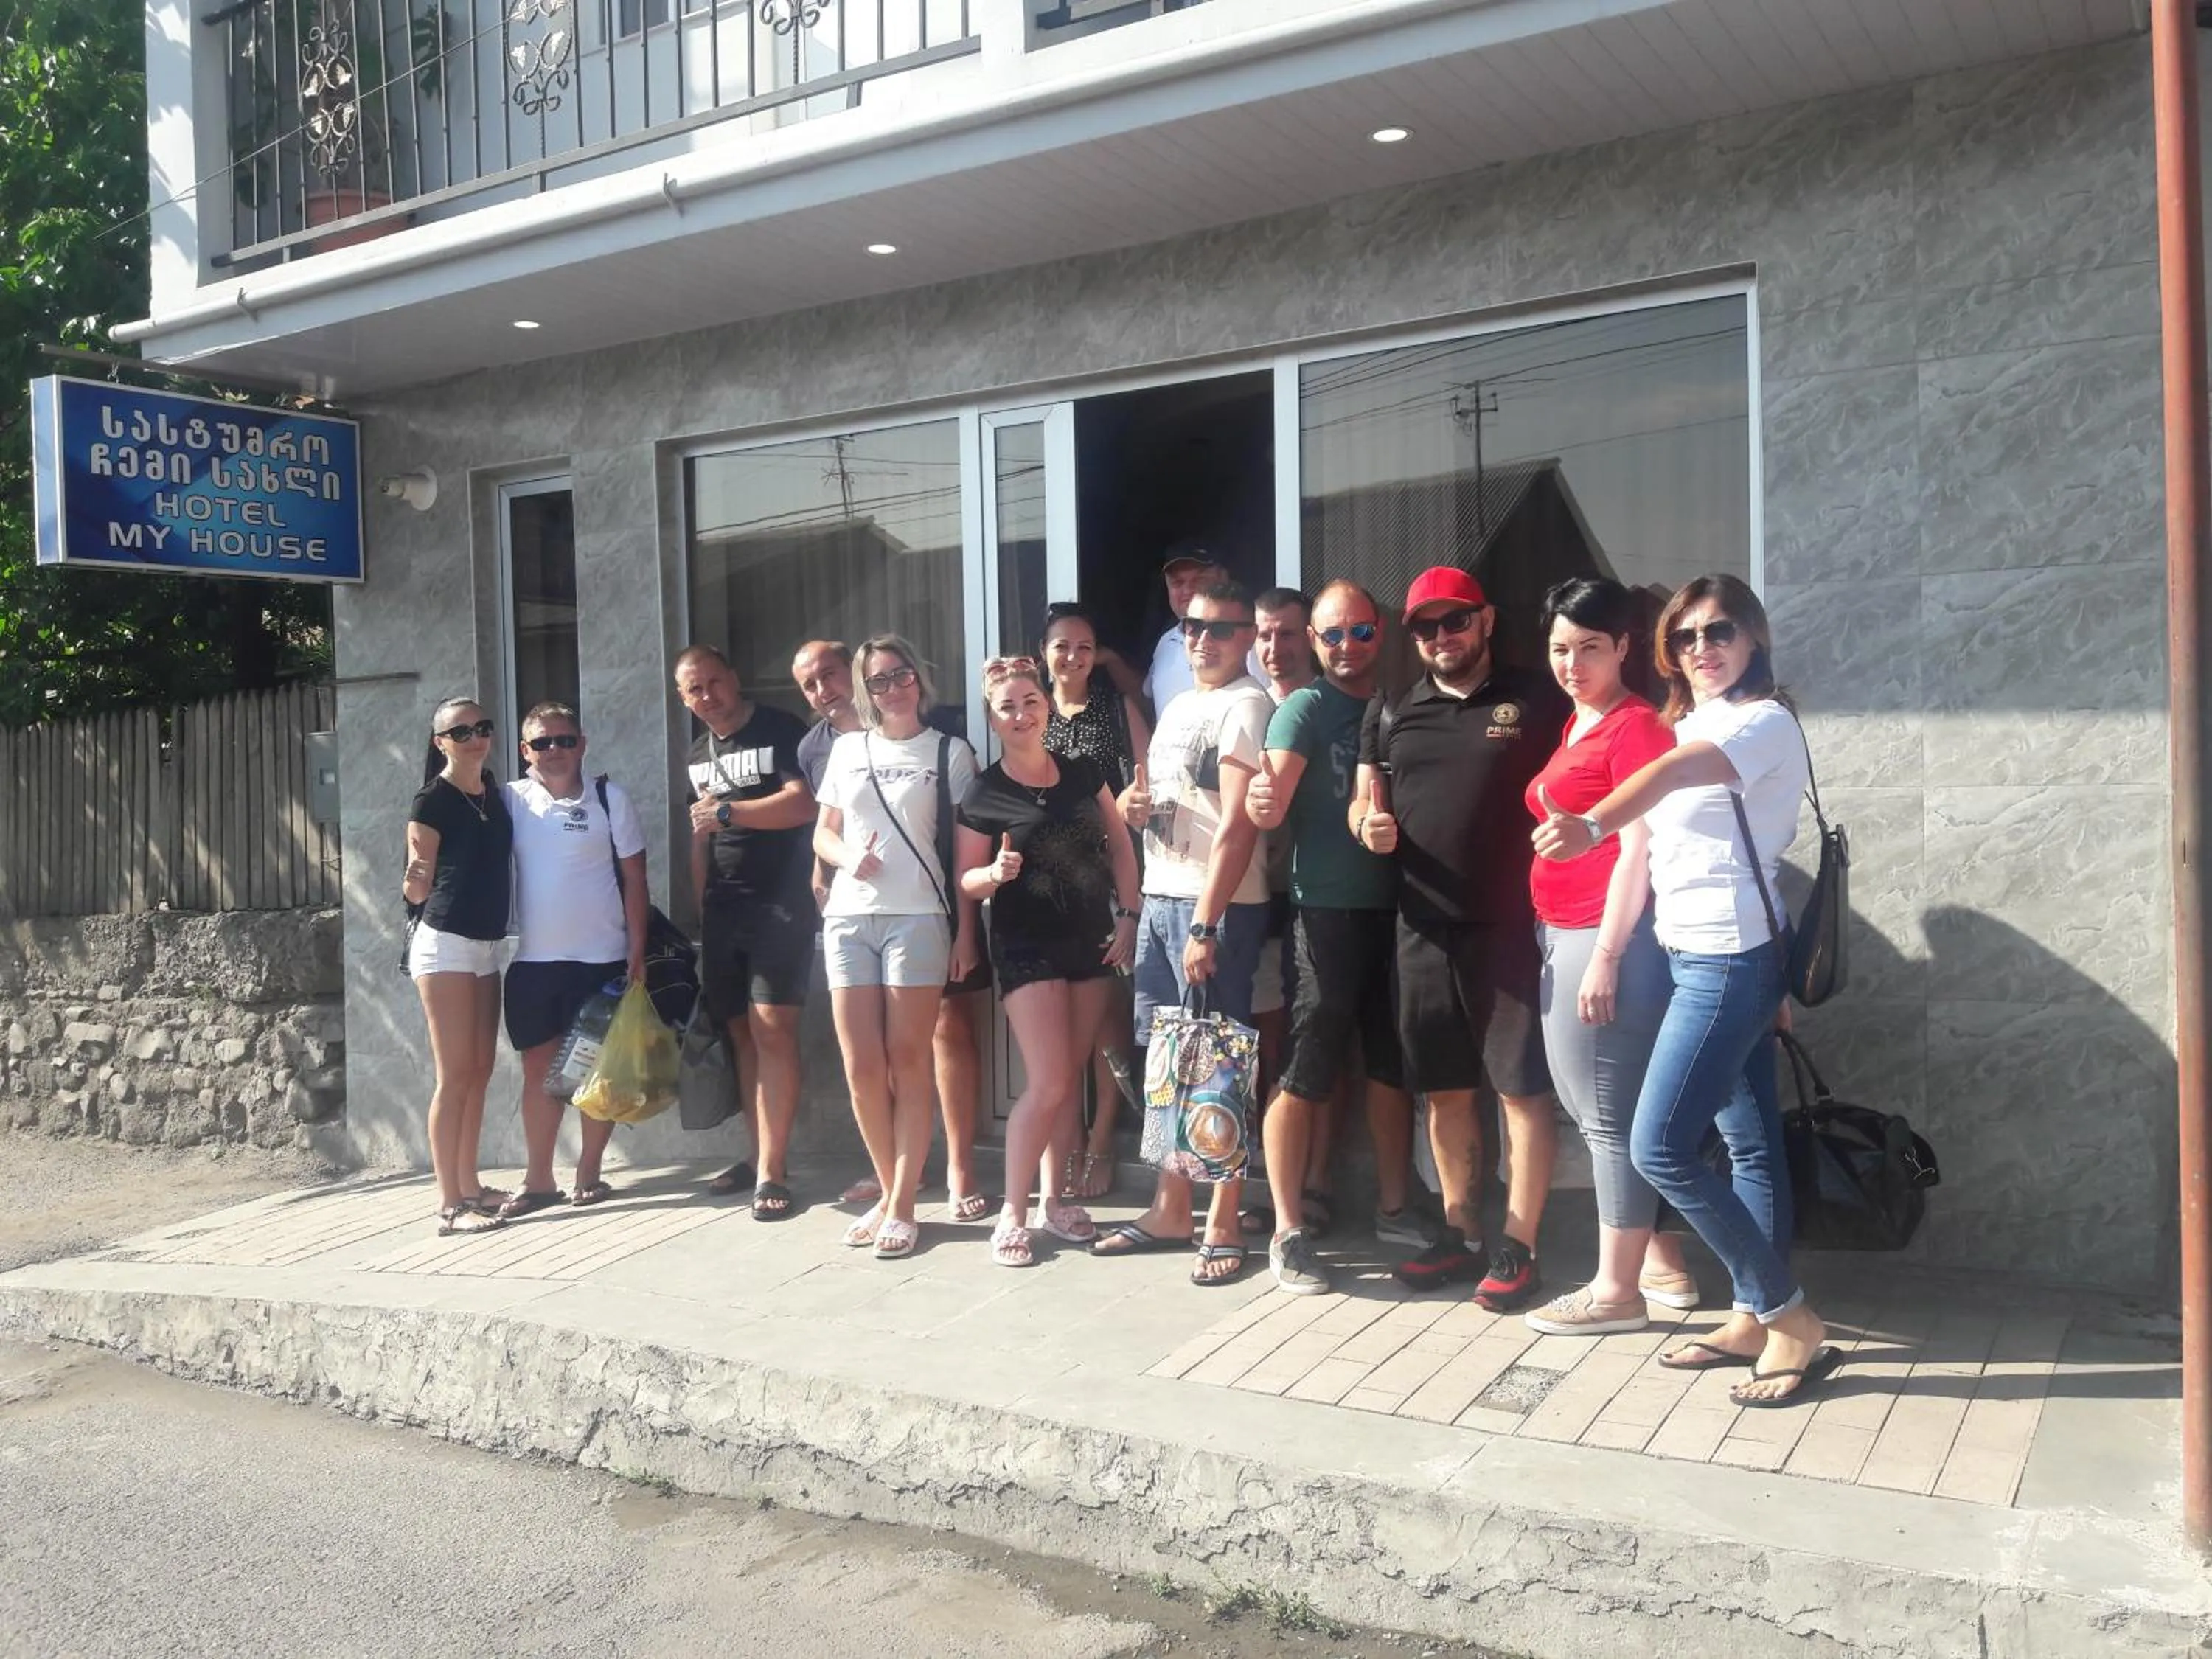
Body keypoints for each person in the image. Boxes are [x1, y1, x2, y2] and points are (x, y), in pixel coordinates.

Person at [1534, 574, 1836, 1408]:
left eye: (1720, 631)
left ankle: (1789, 1316)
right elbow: (1659, 846)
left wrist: (1590, 824)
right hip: (1695, 956)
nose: (1703, 648)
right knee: (1748, 1144)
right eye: (1687, 636)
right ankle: (1752, 1317)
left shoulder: (1763, 722)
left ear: (1754, 637)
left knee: (1659, 1146)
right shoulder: (1692, 719)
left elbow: (1678, 773)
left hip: (1730, 961)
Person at [1354, 568, 1565, 1312]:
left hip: (1510, 928)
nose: (1441, 637)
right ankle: (1460, 1234)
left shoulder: (1537, 699)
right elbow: (1363, 802)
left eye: (1455, 621)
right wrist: (1368, 827)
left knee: (1519, 1089)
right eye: (1426, 627)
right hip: (1422, 927)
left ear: (1486, 621)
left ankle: (1518, 1246)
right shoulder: (1392, 708)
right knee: (1443, 1090)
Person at [1514, 581, 1699, 1332]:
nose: (1573, 664)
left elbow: (1639, 847)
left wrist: (1608, 955)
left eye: (1590, 647)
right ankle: (1659, 1264)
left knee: (1606, 1119)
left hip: (1603, 935)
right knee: (1605, 1111)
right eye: (1560, 648)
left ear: (1625, 647)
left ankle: (1615, 1293)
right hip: (1567, 929)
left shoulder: (1635, 727)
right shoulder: (1582, 721)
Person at [1093, 582, 1272, 1286]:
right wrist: (1135, 808)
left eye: (1221, 629)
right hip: (1164, 894)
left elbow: (1238, 826)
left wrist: (1206, 922)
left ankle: (1222, 1221)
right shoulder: (1177, 706)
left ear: (1247, 636)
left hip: (1212, 906)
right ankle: (1171, 1210)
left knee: (1218, 1063)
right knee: (1171, 1060)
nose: (1204, 641)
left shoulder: (1246, 704)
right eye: (1194, 628)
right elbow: (1174, 806)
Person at [1245, 581, 1416, 1295]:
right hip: (1326, 912)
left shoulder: (1403, 702)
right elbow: (1270, 799)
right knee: (1307, 1068)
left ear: (1381, 632)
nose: (1347, 646)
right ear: (1314, 642)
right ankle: (1287, 1231)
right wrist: (1262, 801)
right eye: (1333, 635)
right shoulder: (1306, 708)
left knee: (1390, 1066)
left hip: (1400, 912)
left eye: (1360, 632)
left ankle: (1396, 1209)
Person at [794, 638, 990, 1221]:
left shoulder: (950, 751)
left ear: (918, 677)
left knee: (909, 1060)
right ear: (866, 691)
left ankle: (903, 1204)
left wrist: (966, 933)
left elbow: (964, 854)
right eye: (878, 681)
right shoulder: (847, 750)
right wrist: (848, 857)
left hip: (919, 917)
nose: (893, 689)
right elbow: (823, 834)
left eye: (900, 675)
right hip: (848, 919)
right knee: (861, 1066)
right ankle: (889, 1191)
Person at [954, 657, 1141, 1267]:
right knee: (1050, 1080)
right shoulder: (984, 792)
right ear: (992, 719)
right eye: (1007, 707)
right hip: (1025, 946)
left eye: (1030, 702)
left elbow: (1120, 845)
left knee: (1069, 1079)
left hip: (1089, 939)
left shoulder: (1082, 770)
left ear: (1046, 707)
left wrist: (1129, 915)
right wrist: (993, 873)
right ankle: (1013, 1212)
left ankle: (1053, 1202)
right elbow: (967, 880)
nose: (1021, 715)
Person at [495, 702, 649, 1219]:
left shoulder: (610, 798)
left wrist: (637, 950)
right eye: (542, 743)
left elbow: (635, 879)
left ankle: (590, 1170)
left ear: (582, 744)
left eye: (564, 740)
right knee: (541, 1075)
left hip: (602, 961)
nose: (554, 750)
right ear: (525, 751)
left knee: (595, 1073)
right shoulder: (509, 800)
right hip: (535, 964)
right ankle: (539, 1180)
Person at [678, 645, 814, 1217]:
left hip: (780, 906)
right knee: (741, 1037)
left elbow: (804, 805)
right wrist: (704, 911)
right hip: (724, 913)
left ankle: (774, 1172)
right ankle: (759, 1159)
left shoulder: (780, 729)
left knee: (773, 1031)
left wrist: (731, 812)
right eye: (694, 689)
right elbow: (700, 836)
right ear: (684, 699)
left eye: (714, 682)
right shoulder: (696, 753)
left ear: (734, 678)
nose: (708, 695)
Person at [1038, 602, 1150, 1200]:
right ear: (1044, 653)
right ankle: (1070, 1142)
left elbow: (1148, 779)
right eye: (1062, 646)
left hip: (1110, 880)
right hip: (1049, 886)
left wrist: (1134, 802)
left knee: (1105, 1020)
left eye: (1085, 646)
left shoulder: (1116, 707)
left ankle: (1103, 1137)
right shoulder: (1031, 710)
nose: (1073, 657)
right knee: (1060, 1026)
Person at [402, 698, 514, 1237]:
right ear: (440, 742)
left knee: (481, 1069)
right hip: (444, 942)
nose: (475, 738)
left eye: (482, 727)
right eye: (461, 731)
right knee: (454, 1075)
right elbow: (416, 885)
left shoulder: (493, 792)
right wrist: (414, 877)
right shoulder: (432, 799)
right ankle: (449, 1204)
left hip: (487, 943)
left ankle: (471, 1187)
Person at [1141, 546, 1264, 714]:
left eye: (1199, 580)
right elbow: (1146, 700)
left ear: (1223, 578)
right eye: (1177, 583)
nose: (1187, 591)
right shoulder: (1165, 643)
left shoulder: (1251, 639)